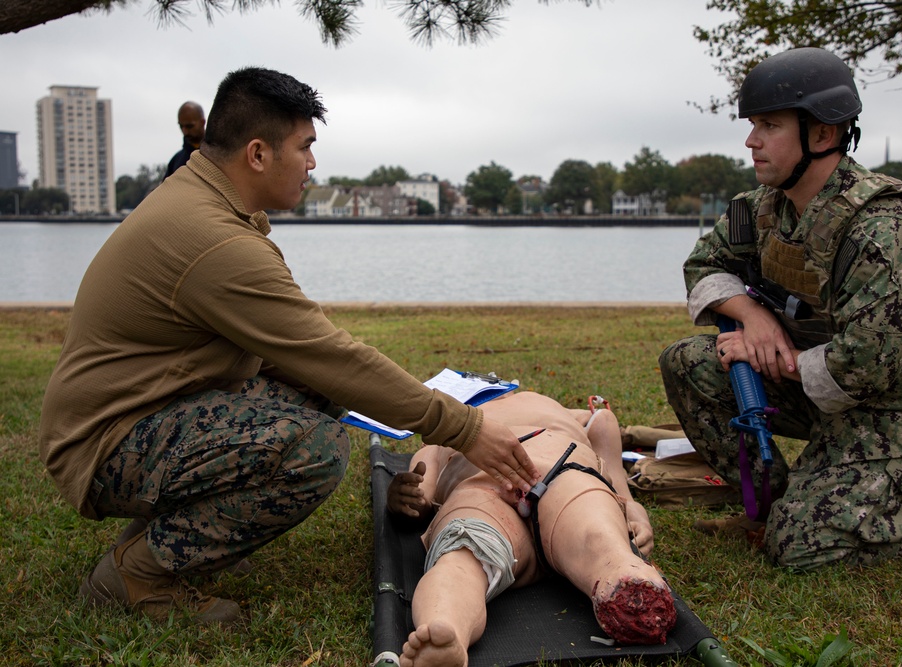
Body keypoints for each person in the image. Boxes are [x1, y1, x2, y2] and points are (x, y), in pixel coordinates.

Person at [38, 66, 539, 625]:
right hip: (105, 443)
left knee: (313, 392)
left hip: (131, 414)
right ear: (257, 154)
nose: (312, 163)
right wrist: (464, 428)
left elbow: (312, 361)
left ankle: (176, 541)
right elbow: (331, 354)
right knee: (315, 447)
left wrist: (376, 393)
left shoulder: (202, 204)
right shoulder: (216, 240)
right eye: (305, 147)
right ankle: (139, 575)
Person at [659, 47, 902, 572]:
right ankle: (767, 505)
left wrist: (777, 358)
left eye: (769, 125)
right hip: (826, 387)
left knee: (801, 549)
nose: (751, 141)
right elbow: (703, 266)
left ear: (821, 134)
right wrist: (754, 317)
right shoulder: (761, 210)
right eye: (753, 125)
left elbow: (867, 365)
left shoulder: (882, 225)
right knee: (688, 363)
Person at [388, 391, 676, 667]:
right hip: (485, 483)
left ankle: (628, 585)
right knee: (461, 556)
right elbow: (419, 496)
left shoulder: (550, 407)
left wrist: (632, 508)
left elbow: (604, 429)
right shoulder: (446, 421)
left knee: (597, 538)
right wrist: (403, 498)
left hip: (561, 469)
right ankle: (446, 628)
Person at [163, 101, 205, 180]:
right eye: (181, 126)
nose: (184, 131)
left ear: (202, 122)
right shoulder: (176, 161)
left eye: (189, 126)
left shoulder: (219, 155)